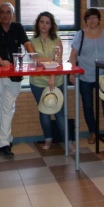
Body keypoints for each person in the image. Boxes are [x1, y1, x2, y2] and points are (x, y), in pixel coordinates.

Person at [0, 2, 34, 157]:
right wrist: (0, 60)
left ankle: (4, 144)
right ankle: (7, 139)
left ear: (12, 14)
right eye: (2, 12)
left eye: (8, 12)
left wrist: (33, 56)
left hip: (15, 74)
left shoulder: (18, 28)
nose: (5, 14)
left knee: (8, 107)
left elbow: (27, 43)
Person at [68, 8, 104, 144]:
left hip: (103, 74)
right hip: (85, 75)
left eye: (95, 17)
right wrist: (72, 72)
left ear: (99, 19)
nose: (92, 20)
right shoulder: (80, 34)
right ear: (86, 21)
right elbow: (72, 56)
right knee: (88, 105)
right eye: (89, 18)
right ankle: (93, 132)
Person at [29, 11, 74, 152]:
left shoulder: (57, 40)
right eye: (42, 22)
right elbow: (34, 61)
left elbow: (58, 61)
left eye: (47, 22)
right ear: (38, 24)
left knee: (60, 112)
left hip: (56, 80)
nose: (44, 25)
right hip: (37, 82)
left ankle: (68, 141)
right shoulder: (32, 41)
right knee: (44, 111)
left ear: (51, 25)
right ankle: (48, 139)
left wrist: (52, 76)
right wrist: (49, 61)